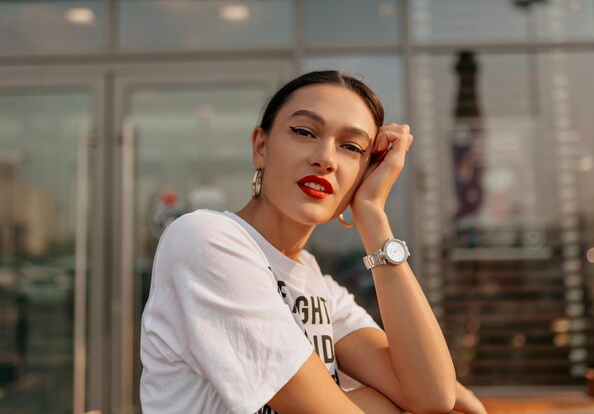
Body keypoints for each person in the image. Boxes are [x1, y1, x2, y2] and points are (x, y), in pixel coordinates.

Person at [140, 70, 487, 414]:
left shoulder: (317, 284)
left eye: (351, 147)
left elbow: (431, 394)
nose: (325, 158)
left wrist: (370, 213)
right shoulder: (206, 239)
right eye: (304, 132)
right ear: (261, 147)